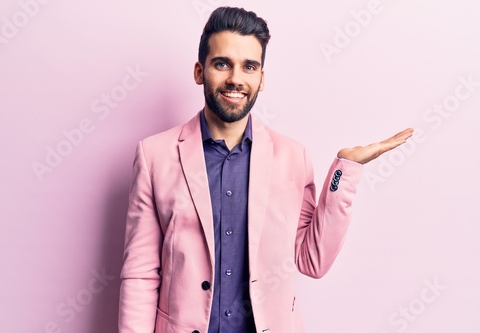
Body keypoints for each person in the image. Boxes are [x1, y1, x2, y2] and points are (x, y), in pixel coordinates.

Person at [118, 6, 413, 333]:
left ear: (261, 78)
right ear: (200, 72)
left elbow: (312, 260)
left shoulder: (293, 157)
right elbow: (141, 272)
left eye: (249, 67)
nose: (235, 79)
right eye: (222, 64)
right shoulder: (154, 155)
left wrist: (347, 169)